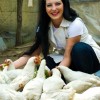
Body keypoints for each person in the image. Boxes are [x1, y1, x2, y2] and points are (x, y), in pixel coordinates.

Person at [14, 0, 100, 74]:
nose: (54, 9)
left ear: (64, 4)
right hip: (67, 59)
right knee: (43, 65)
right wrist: (9, 66)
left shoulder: (75, 24)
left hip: (88, 59)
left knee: (79, 48)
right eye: (49, 5)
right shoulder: (44, 26)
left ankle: (88, 77)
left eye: (58, 3)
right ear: (44, 7)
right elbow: (33, 54)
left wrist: (55, 74)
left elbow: (68, 56)